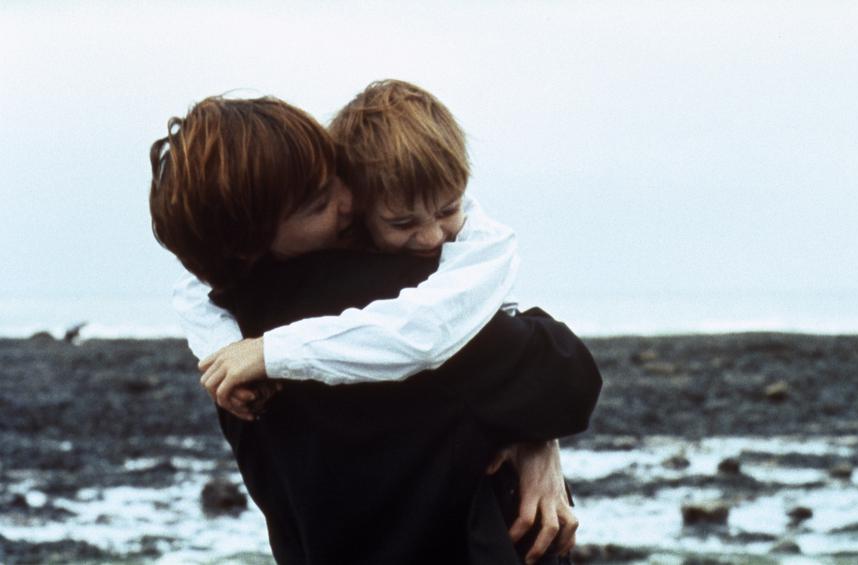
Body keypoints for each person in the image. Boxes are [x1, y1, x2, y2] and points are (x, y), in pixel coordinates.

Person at [149, 89, 601, 563]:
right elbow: (563, 373)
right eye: (318, 201)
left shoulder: (228, 347)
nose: (350, 198)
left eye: (332, 177)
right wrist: (536, 432)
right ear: (250, 241)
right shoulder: (387, 299)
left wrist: (531, 434)